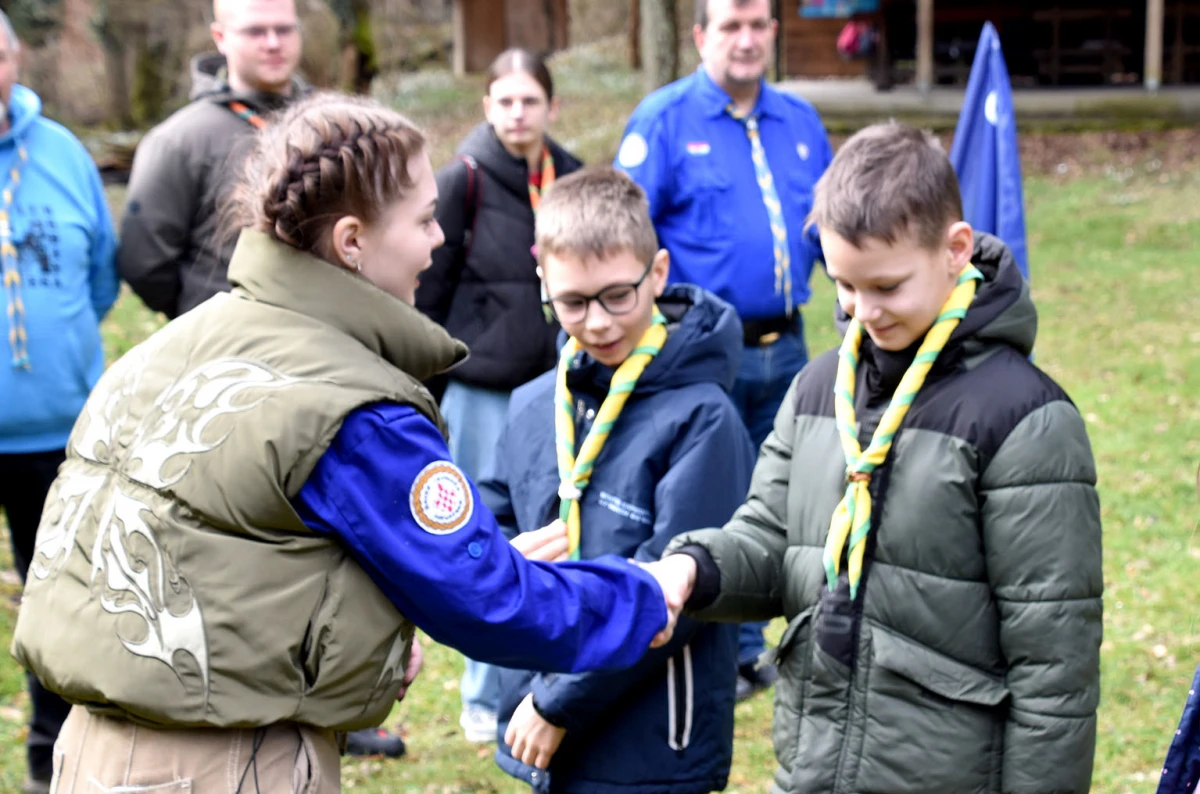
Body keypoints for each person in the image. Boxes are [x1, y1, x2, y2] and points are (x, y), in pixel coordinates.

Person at [11, 93, 684, 794]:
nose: (440, 239)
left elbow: (235, 557)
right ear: (352, 240)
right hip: (227, 761)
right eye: (424, 219)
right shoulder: (351, 407)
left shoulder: (176, 346)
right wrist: (642, 597)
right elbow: (487, 601)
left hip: (90, 750)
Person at [644, 121, 1104, 794]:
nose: (863, 312)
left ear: (956, 249)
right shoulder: (814, 390)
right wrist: (695, 567)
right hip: (814, 768)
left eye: (886, 287)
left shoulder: (1024, 420)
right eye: (844, 286)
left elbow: (1053, 672)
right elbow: (772, 539)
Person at [479, 167, 753, 792]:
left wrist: (559, 704)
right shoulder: (531, 406)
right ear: (542, 279)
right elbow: (489, 525)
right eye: (573, 302)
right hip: (540, 724)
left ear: (657, 273)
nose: (598, 322)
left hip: (652, 738)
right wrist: (504, 561)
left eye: (617, 296)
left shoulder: (702, 418)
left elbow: (676, 596)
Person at [615, 0, 833, 698]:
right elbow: (625, 233)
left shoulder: (800, 122)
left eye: (757, 25)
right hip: (705, 351)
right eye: (730, 26)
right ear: (701, 36)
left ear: (773, 33)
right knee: (715, 499)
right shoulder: (665, 119)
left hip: (788, 347)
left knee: (794, 495)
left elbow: (834, 229)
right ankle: (714, 649)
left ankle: (767, 642)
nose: (745, 40)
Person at [415, 47, 583, 744]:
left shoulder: (571, 177)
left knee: (552, 535)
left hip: (559, 389)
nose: (518, 113)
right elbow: (429, 288)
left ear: (550, 105)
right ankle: (484, 693)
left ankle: (546, 678)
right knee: (489, 539)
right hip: (483, 391)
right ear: (487, 107)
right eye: (504, 101)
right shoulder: (463, 182)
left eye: (530, 101)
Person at [0, 11, 119, 794]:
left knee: (60, 602)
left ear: (14, 59)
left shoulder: (63, 153)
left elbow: (102, 275)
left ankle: (54, 757)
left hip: (56, 432)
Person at [117, 0, 309, 320]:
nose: (274, 43)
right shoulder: (178, 141)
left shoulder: (332, 124)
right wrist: (203, 312)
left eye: (284, 29)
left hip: (329, 342)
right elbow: (145, 264)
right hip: (228, 349)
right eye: (256, 31)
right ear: (220, 37)